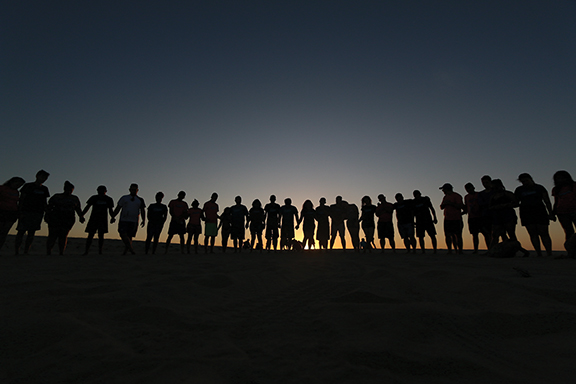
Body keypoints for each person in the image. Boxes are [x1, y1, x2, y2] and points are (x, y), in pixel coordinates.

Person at [514, 173, 554, 257]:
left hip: (540, 211)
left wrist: (550, 212)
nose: (525, 183)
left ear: (531, 179)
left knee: (544, 233)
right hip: (526, 212)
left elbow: (547, 201)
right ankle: (538, 253)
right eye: (523, 181)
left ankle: (549, 252)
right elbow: (516, 202)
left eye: (526, 180)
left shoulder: (539, 188)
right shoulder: (519, 190)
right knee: (532, 233)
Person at [15, 170, 50, 255]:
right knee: (21, 231)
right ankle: (17, 251)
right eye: (42, 177)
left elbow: (44, 202)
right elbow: (22, 199)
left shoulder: (44, 189)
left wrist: (47, 212)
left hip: (38, 213)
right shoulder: (28, 186)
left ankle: (26, 251)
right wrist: (20, 211)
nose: (43, 179)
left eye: (45, 178)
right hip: (26, 211)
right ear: (37, 176)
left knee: (31, 232)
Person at [45, 181, 85, 255]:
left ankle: (61, 252)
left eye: (70, 190)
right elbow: (49, 207)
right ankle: (49, 251)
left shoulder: (74, 198)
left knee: (63, 235)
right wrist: (47, 215)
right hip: (55, 218)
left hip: (68, 219)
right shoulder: (56, 196)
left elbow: (78, 209)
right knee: (52, 235)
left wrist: (81, 217)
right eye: (67, 189)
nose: (69, 191)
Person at [111, 183, 146, 255]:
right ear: (129, 190)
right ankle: (131, 249)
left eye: (135, 190)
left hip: (134, 220)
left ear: (137, 190)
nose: (133, 191)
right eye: (132, 189)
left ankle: (126, 251)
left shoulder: (140, 200)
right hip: (124, 219)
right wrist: (113, 216)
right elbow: (118, 208)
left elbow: (142, 210)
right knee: (122, 234)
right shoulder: (124, 198)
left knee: (130, 236)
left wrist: (143, 220)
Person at [82, 185, 115, 255]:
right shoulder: (94, 198)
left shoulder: (108, 199)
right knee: (90, 235)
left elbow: (110, 210)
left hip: (103, 219)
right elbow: (87, 207)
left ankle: (100, 251)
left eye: (103, 191)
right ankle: (86, 251)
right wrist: (82, 215)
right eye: (99, 190)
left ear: (105, 191)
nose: (101, 192)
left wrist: (112, 217)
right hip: (93, 218)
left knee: (101, 235)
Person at [488, 179, 520, 250]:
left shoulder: (508, 194)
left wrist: (505, 205)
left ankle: (514, 250)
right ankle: (491, 250)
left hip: (508, 215)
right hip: (497, 216)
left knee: (511, 233)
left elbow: (516, 203)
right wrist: (496, 207)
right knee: (495, 235)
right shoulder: (493, 196)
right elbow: (490, 207)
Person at [552, 170, 576, 257]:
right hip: (562, 213)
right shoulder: (556, 189)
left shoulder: (574, 186)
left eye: (562, 178)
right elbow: (556, 201)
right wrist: (553, 212)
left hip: (574, 211)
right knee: (568, 232)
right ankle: (571, 252)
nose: (560, 180)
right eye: (558, 178)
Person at [0, 177, 26, 252]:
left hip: (12, 212)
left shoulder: (16, 192)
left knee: (4, 232)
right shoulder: (2, 188)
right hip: (2, 210)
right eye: (17, 183)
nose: (18, 186)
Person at [463, 182, 490, 253]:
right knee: (474, 234)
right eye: (467, 189)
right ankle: (476, 250)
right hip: (472, 217)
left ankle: (489, 248)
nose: (469, 190)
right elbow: (466, 206)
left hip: (481, 217)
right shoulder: (466, 197)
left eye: (470, 188)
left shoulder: (479, 194)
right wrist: (464, 212)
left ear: (473, 188)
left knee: (486, 233)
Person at [439, 183, 464, 254]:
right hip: (447, 218)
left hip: (456, 218)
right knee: (447, 235)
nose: (443, 191)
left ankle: (459, 251)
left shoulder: (457, 196)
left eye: (443, 190)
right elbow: (441, 207)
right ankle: (450, 250)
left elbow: (460, 206)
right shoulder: (445, 197)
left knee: (458, 235)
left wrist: (450, 203)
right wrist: (444, 204)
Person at [477, 175, 494, 246]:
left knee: (499, 233)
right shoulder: (481, 194)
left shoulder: (495, 192)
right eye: (483, 183)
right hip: (485, 215)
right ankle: (489, 248)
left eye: (487, 182)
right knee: (486, 233)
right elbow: (480, 204)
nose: (485, 184)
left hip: (496, 215)